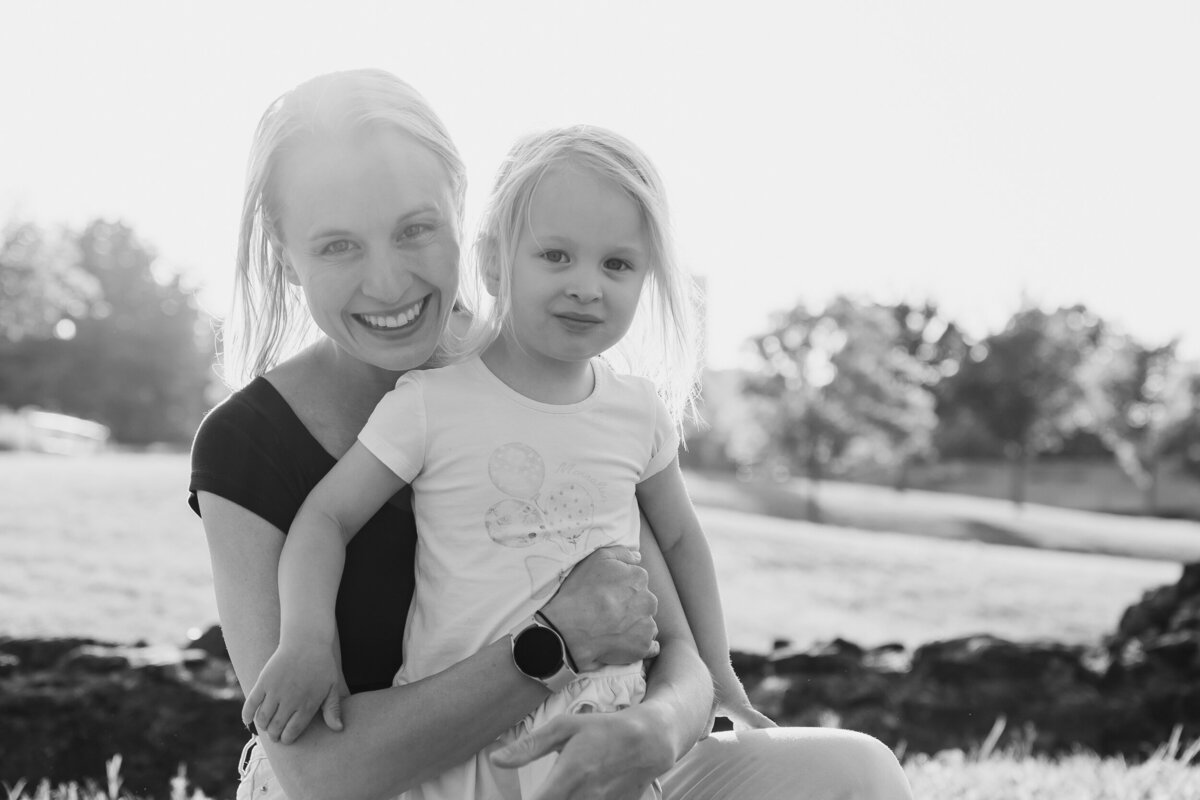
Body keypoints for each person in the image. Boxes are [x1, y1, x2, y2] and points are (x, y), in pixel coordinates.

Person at [189, 67, 914, 800]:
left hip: (575, 757)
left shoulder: (550, 376)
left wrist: (656, 728)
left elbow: (679, 649)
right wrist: (555, 642)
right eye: (338, 247)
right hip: (391, 789)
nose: (388, 283)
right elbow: (322, 771)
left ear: (462, 215)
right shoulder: (246, 446)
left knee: (856, 773)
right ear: (286, 254)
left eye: (415, 230)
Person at [241, 124, 774, 800]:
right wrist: (307, 640)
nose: (587, 286)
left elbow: (679, 538)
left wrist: (719, 674)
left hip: (606, 736)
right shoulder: (433, 403)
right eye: (556, 256)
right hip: (463, 751)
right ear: (493, 263)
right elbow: (324, 519)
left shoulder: (637, 413)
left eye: (617, 265)